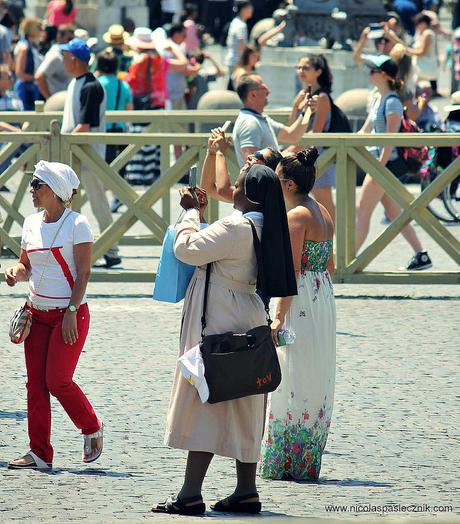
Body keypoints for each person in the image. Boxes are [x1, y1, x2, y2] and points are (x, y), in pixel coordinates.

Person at [153, 163, 297, 515]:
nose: (230, 187)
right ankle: (246, 490)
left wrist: (189, 212)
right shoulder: (267, 226)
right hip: (248, 313)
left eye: (236, 184)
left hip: (219, 316)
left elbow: (186, 249)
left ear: (247, 194)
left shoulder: (236, 226)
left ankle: (189, 494)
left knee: (206, 396)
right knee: (246, 402)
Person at [5, 160, 103, 470]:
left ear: (56, 191)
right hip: (36, 315)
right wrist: (15, 273)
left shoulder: (78, 224)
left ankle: (91, 427)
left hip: (69, 314)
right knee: (35, 385)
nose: (31, 190)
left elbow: (84, 273)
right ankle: (40, 454)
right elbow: (26, 265)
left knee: (57, 380)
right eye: (32, 184)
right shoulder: (31, 223)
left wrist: (72, 311)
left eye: (37, 185)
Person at [259, 147, 335, 481]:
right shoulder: (322, 211)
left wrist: (277, 317)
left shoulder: (296, 217)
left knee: (291, 373)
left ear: (289, 185)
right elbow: (329, 263)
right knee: (313, 373)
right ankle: (307, 457)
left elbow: (290, 272)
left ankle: (285, 460)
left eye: (278, 181)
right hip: (322, 295)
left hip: (302, 297)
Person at [357, 54, 432, 270]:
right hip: (380, 164)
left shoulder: (392, 102)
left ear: (383, 75)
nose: (369, 74)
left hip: (384, 165)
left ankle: (344, 262)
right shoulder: (378, 99)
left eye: (372, 71)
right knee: (393, 213)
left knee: (362, 213)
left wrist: (379, 167)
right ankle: (422, 254)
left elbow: (390, 140)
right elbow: (364, 132)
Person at [61, 37, 121, 268]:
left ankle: (112, 249)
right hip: (76, 154)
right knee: (71, 203)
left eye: (65, 57)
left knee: (97, 203)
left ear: (74, 60)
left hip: (88, 155)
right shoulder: (77, 83)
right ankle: (67, 249)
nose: (63, 61)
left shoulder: (90, 86)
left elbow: (84, 126)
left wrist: (61, 142)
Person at [290, 54, 336, 224]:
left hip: (319, 153)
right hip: (304, 151)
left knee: (324, 199)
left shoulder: (322, 97)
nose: (301, 71)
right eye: (299, 67)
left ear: (318, 71)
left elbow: (316, 133)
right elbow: (293, 128)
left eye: (306, 68)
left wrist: (293, 149)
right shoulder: (303, 94)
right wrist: (296, 105)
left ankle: (332, 240)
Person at [232, 73, 310, 168]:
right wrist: (285, 157)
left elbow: (292, 135)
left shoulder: (260, 119)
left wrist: (307, 111)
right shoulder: (249, 123)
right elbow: (252, 166)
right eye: (264, 88)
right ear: (252, 94)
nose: (268, 92)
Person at [201, 126, 282, 202]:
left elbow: (223, 190)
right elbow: (208, 189)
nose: (250, 156)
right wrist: (212, 152)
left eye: (257, 156)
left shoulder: (258, 195)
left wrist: (220, 152)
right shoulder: (248, 192)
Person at [96, 49, 133, 212]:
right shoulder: (123, 85)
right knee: (120, 167)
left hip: (104, 131)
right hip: (121, 130)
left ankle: (101, 198)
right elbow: (130, 109)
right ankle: (118, 197)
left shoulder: (98, 83)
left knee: (104, 167)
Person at [35, 23, 74, 100]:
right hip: (57, 103)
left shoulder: (64, 53)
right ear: (59, 37)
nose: (71, 42)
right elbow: (39, 76)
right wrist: (49, 99)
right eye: (69, 39)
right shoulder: (55, 56)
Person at [14, 17, 43, 110]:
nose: (41, 31)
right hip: (25, 89)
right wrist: (36, 78)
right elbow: (19, 73)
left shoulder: (32, 46)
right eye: (39, 28)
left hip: (32, 88)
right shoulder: (24, 47)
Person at [406, 13, 439, 91]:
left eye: (418, 24)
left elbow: (422, 52)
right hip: (421, 68)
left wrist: (407, 50)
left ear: (423, 23)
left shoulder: (427, 33)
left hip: (424, 69)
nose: (417, 27)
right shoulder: (423, 33)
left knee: (422, 93)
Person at [225, 1, 253, 90]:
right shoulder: (241, 25)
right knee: (238, 90)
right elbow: (242, 45)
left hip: (233, 60)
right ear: (244, 9)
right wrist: (244, 62)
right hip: (237, 61)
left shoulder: (235, 22)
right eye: (250, 7)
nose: (252, 9)